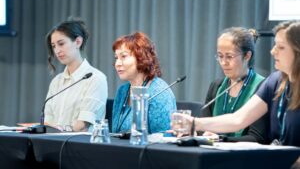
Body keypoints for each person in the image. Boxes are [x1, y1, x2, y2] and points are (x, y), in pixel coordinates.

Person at [172, 20, 300, 147]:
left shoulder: (263, 83)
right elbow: (238, 119)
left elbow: (257, 137)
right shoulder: (274, 82)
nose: (272, 51)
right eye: (220, 56)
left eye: (281, 47)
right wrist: (193, 124)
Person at [202, 27, 268, 143]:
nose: (223, 63)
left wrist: (221, 139)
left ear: (247, 56)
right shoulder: (216, 86)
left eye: (229, 56)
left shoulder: (263, 87)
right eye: (220, 56)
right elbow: (204, 125)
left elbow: (257, 138)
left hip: (245, 157)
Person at [44, 17, 108, 132]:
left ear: (78, 42)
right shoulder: (56, 81)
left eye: (61, 44)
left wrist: (59, 131)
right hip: (52, 142)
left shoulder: (96, 78)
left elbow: (82, 126)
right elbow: (47, 122)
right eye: (53, 46)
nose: (57, 50)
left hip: (81, 145)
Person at [111, 32, 176, 134]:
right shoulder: (122, 91)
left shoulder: (159, 92)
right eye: (116, 58)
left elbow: (164, 139)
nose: (117, 64)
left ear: (141, 58)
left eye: (123, 56)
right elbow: (115, 133)